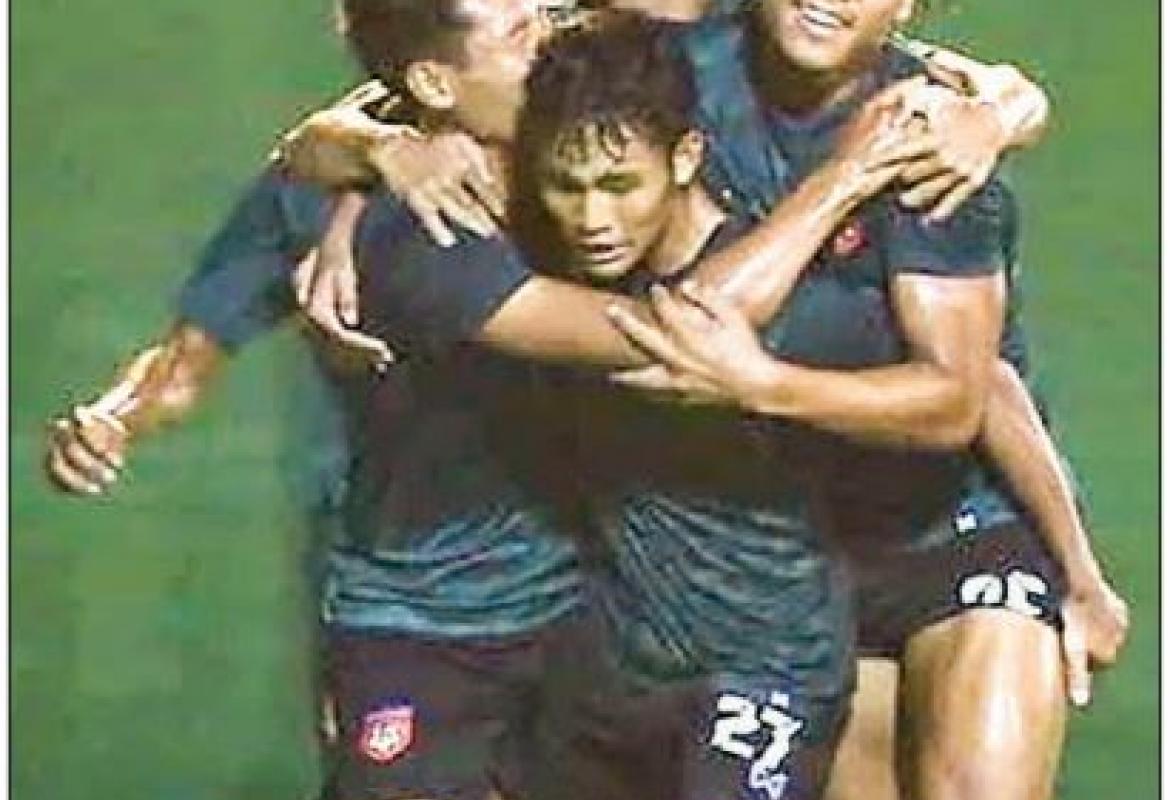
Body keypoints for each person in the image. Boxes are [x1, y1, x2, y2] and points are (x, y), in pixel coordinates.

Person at [46, 1, 937, 797]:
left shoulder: (577, 160)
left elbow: (823, 45)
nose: (550, 35)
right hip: (423, 618)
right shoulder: (401, 225)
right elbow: (185, 357)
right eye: (519, 31)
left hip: (586, 610)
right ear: (437, 81)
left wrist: (993, 102)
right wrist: (115, 418)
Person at [594, 1, 1128, 798]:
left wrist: (760, 384)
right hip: (788, 550)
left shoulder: (933, 136)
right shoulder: (673, 76)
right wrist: (392, 152)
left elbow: (957, 398)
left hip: (953, 526)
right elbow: (479, 74)